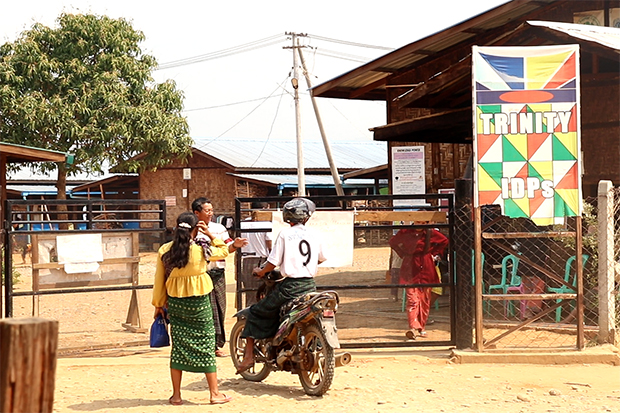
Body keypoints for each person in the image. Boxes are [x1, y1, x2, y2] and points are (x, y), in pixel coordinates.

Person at [235, 197, 326, 374]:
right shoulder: (314, 233)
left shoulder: (285, 234)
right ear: (306, 217)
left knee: (255, 311)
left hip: (291, 288)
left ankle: (248, 356)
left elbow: (273, 262)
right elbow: (321, 258)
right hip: (310, 286)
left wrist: (261, 271)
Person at [151, 211, 232, 405]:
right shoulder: (202, 249)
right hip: (199, 303)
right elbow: (224, 251)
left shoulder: (165, 250)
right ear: (196, 228)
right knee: (206, 344)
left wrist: (159, 304)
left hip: (176, 303)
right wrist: (210, 234)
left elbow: (159, 280)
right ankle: (214, 394)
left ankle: (176, 395)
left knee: (178, 346)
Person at [192, 197, 247, 357]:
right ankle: (205, 344)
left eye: (211, 210)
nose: (211, 213)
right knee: (205, 310)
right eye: (207, 210)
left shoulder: (219, 228)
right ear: (197, 213)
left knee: (220, 308)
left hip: (217, 274)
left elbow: (227, 248)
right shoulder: (192, 229)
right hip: (200, 274)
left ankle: (217, 343)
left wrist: (235, 244)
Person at [389, 222, 448, 339]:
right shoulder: (405, 232)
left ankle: (421, 327)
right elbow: (393, 242)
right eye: (418, 221)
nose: (420, 224)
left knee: (425, 299)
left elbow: (444, 241)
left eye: (423, 222)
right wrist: (403, 253)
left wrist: (433, 253)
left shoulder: (430, 232)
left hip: (426, 265)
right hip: (410, 265)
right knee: (412, 299)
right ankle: (413, 327)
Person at [239, 201, 273, 306]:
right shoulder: (266, 224)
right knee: (263, 292)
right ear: (265, 208)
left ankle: (248, 312)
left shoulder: (243, 224)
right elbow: (270, 245)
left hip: (246, 260)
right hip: (261, 260)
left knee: (250, 291)